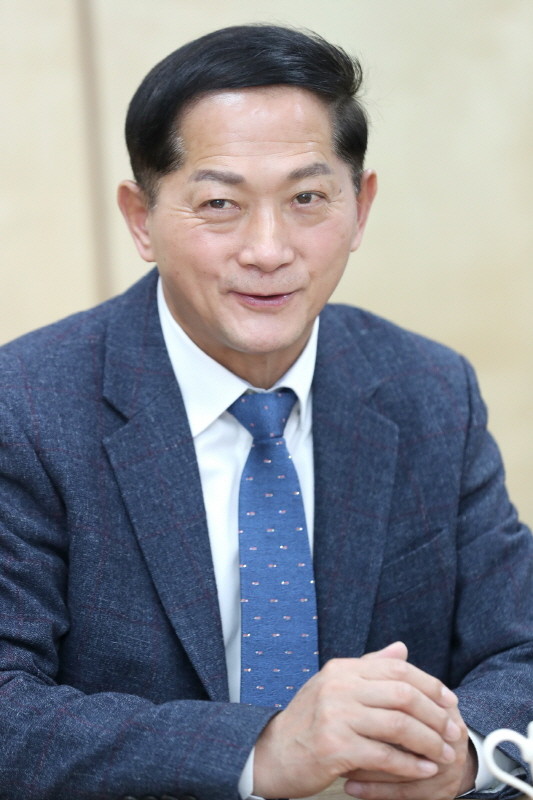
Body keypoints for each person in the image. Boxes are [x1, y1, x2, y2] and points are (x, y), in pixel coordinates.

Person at [0, 23, 531, 800]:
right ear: (141, 218)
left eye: (306, 198)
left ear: (360, 206)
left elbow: (519, 648)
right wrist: (260, 753)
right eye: (220, 203)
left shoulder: (427, 389)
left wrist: (464, 758)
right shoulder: (27, 407)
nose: (268, 249)